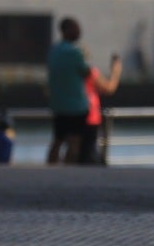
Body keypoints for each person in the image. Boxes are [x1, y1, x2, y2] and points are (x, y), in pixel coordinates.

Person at [45, 18, 96, 165]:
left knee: (57, 140)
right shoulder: (75, 52)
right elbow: (87, 73)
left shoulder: (53, 50)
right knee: (75, 141)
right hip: (76, 105)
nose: (79, 31)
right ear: (66, 30)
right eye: (75, 28)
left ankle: (50, 167)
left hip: (58, 104)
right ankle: (68, 169)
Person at [80, 51, 122, 165]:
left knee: (76, 149)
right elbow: (109, 88)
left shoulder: (69, 74)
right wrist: (116, 71)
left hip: (73, 113)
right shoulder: (90, 72)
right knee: (89, 151)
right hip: (90, 117)